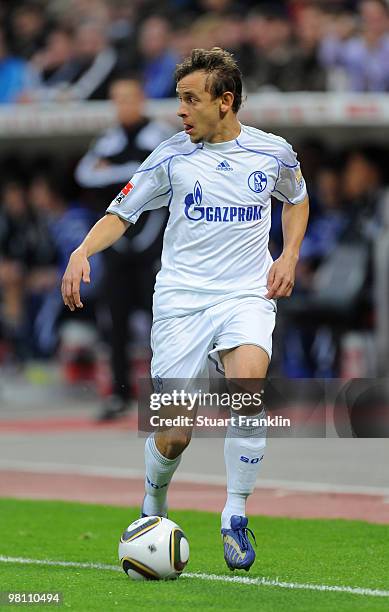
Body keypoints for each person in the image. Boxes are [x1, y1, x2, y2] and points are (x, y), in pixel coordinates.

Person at [61, 48, 309, 572]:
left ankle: (234, 516)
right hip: (180, 303)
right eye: (179, 98)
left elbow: (297, 197)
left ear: (225, 101)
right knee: (175, 430)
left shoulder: (274, 153)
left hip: (245, 294)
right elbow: (120, 212)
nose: (181, 110)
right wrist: (82, 251)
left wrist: (287, 255)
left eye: (190, 99)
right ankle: (153, 505)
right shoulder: (170, 156)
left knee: (248, 387)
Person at [75, 77, 172, 420]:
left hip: (153, 246)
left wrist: (117, 172)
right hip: (117, 247)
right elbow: (85, 175)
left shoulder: (161, 135)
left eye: (129, 98)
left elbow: (161, 176)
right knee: (114, 323)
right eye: (117, 99)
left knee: (163, 325)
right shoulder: (108, 138)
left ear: (142, 98)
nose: (123, 105)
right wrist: (134, 171)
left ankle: (168, 396)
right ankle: (119, 393)